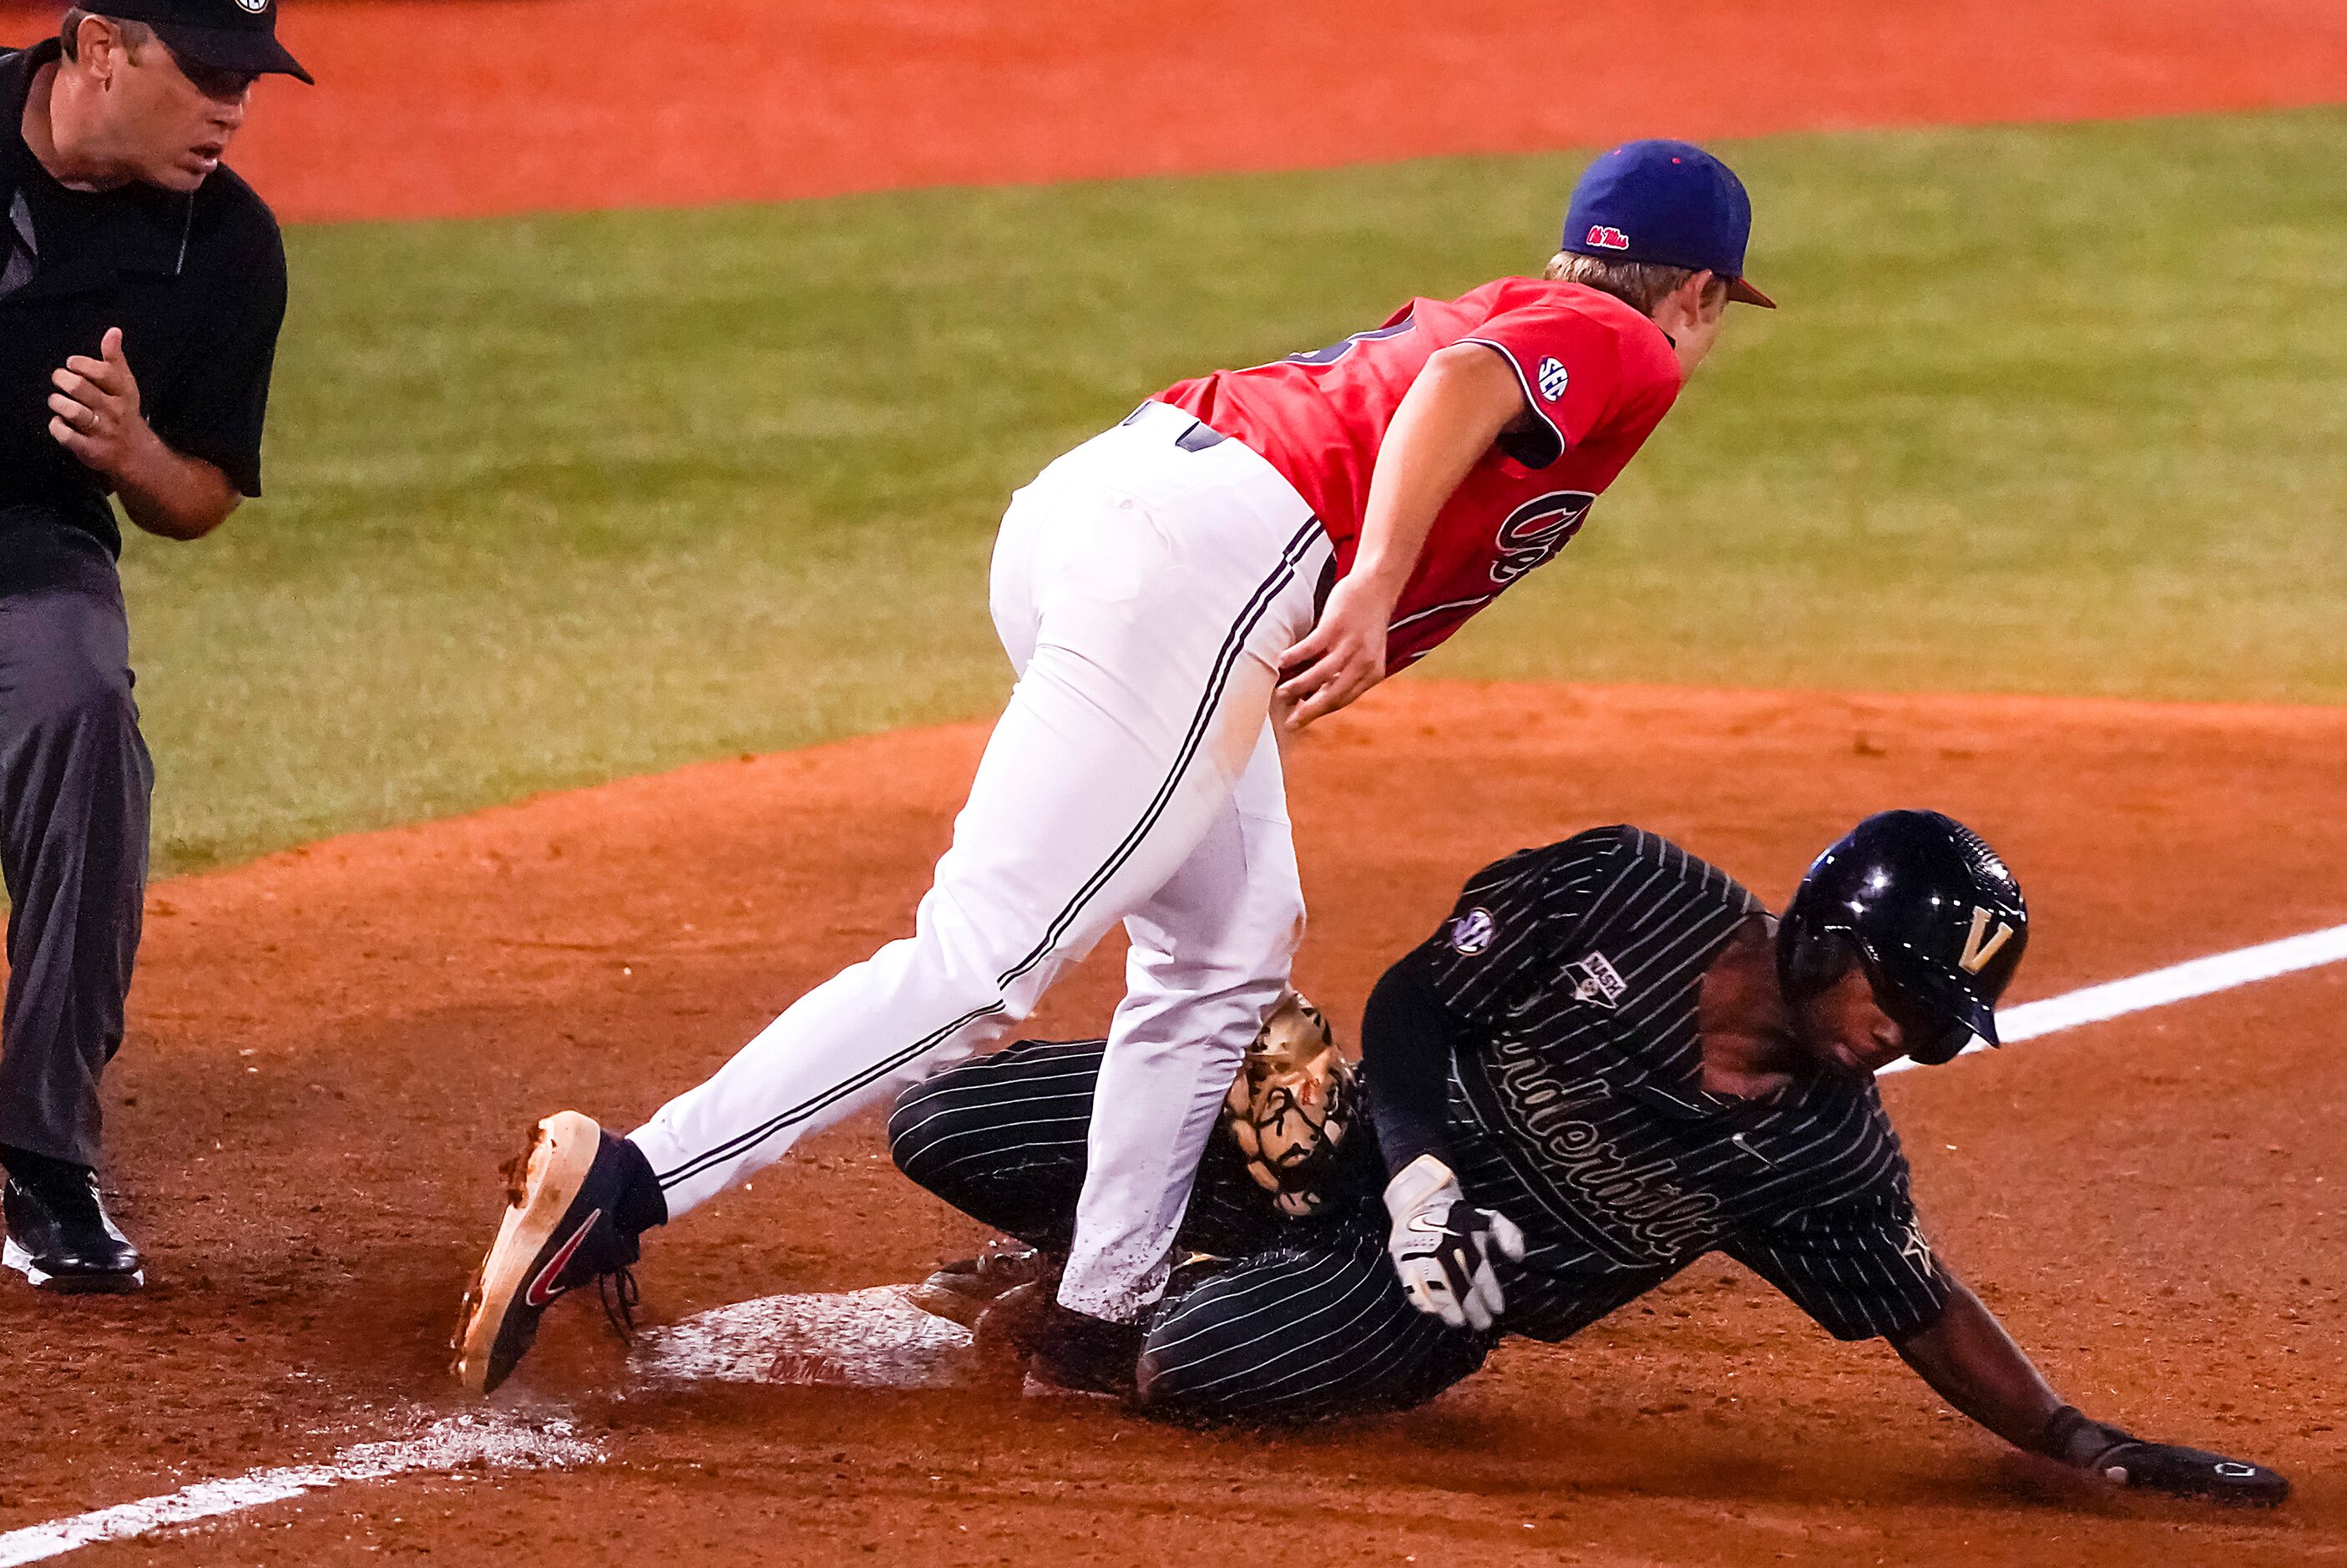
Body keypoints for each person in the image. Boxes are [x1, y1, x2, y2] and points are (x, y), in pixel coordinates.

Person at [455, 139, 1778, 1393]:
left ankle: (1101, 1310)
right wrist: (1373, 580)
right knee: (983, 960)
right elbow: (1459, 388)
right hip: (1219, 556)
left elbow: (1447, 376)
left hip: (1116, 502)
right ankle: (626, 1186)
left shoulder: (1527, 303)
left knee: (1229, 940)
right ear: (1702, 290)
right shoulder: (1621, 340)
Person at [884, 812, 2289, 1507]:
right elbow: (1420, 1001)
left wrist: (2075, 1436)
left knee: (1179, 1363)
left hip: (1430, 1299)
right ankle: (1213, 1228)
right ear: (1824, 933)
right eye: (1901, 996)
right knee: (939, 1126)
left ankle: (1189, 1262)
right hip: (1352, 1142)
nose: (1907, 1038)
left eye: (1937, 1022)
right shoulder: (1631, 887)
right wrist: (1418, 1161)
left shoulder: (1820, 1148)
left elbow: (1921, 1303)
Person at [0, 3, 306, 1293]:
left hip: (28, 543)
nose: (235, 110)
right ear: (102, 48)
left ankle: (43, 1157)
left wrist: (134, 457)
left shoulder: (228, 245)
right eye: (211, 74)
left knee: (81, 709)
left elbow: (204, 496)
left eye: (251, 78)